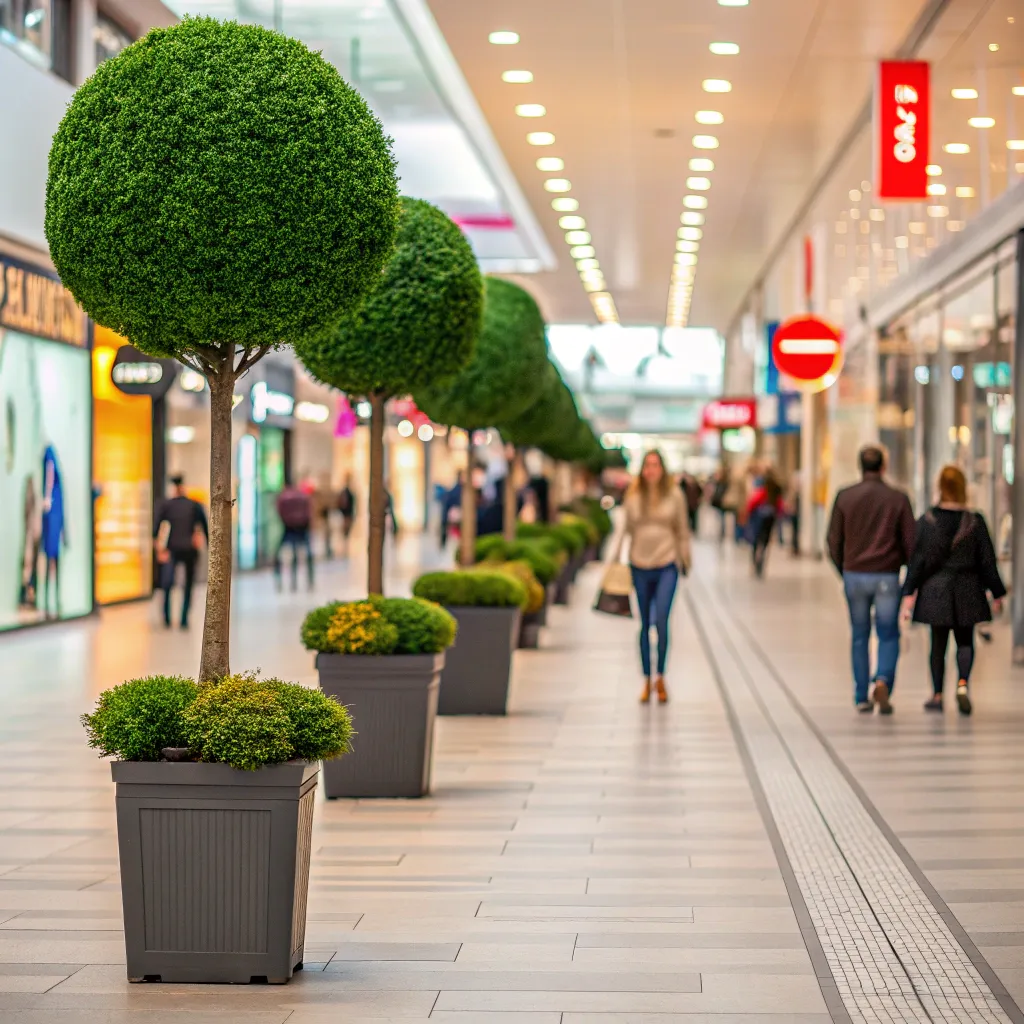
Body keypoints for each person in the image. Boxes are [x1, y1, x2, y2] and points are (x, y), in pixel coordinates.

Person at [901, 465, 1006, 716]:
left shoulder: (927, 521)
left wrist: (908, 592)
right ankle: (962, 685)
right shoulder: (975, 521)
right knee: (965, 641)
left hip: (935, 589)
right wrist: (997, 592)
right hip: (968, 588)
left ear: (940, 487)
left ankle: (937, 695)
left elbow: (917, 562)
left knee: (938, 644)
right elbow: (987, 562)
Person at [827, 445, 915, 715]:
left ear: (860, 466)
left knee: (859, 635)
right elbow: (911, 542)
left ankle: (860, 694)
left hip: (855, 575)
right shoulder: (898, 498)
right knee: (888, 633)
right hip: (887, 575)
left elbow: (833, 540)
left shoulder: (845, 496)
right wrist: (905, 570)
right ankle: (883, 680)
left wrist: (844, 569)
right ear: (883, 466)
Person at [624, 450, 692, 705]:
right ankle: (645, 678)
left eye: (655, 465)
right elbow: (627, 529)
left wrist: (685, 559)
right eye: (647, 465)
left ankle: (660, 676)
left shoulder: (675, 496)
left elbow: (683, 529)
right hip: (639, 563)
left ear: (662, 469)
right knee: (644, 624)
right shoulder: (634, 496)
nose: (651, 470)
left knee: (662, 619)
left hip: (667, 562)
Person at [154, 475, 208, 629]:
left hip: (172, 549)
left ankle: (167, 618)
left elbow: (157, 527)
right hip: (189, 549)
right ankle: (184, 618)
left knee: (168, 584)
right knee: (188, 584)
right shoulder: (194, 505)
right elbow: (204, 526)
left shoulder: (167, 505)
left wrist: (159, 547)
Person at [275, 480, 314, 591]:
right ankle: (310, 581)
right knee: (307, 554)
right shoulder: (303, 497)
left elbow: (280, 511)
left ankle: (283, 583)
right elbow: (309, 512)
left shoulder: (283, 498)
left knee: (282, 554)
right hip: (302, 529)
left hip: (289, 528)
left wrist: (287, 522)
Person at [745, 468, 784, 578]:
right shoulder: (776, 491)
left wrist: (748, 514)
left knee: (756, 541)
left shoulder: (763, 491)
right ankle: (761, 562)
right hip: (770, 519)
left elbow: (753, 503)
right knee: (765, 542)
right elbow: (780, 505)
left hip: (760, 519)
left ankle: (755, 562)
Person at [338, 476, 356, 556]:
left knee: (347, 532)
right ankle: (345, 548)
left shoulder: (348, 492)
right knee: (346, 532)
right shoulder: (346, 492)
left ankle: (346, 547)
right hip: (346, 515)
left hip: (348, 514)